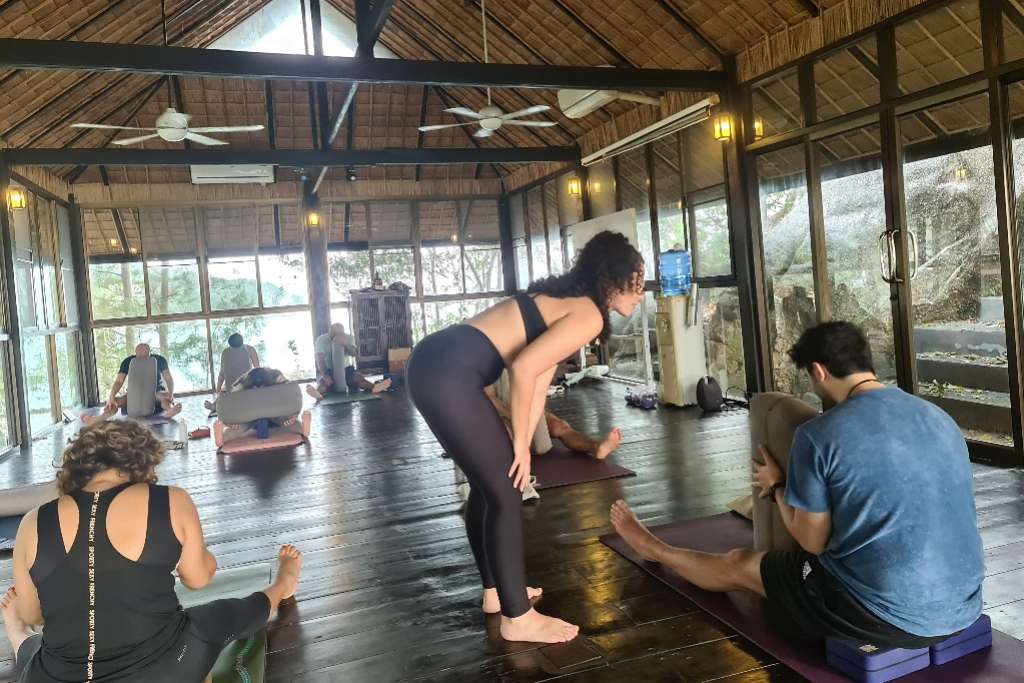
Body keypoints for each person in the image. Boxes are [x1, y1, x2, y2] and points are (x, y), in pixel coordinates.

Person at [610, 321, 984, 649]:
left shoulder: (818, 435)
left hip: (883, 614)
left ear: (819, 371)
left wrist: (776, 486)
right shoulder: (939, 417)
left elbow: (812, 542)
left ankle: (654, 549)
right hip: (964, 606)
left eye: (809, 375)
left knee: (742, 564)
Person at [407, 231, 645, 644]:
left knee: (492, 486)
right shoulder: (589, 314)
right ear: (615, 280)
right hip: (448, 374)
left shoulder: (567, 303)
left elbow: (536, 379)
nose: (642, 293)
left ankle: (498, 594)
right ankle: (518, 618)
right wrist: (519, 444)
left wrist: (525, 446)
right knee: (505, 489)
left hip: (436, 364)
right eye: (638, 281)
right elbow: (522, 370)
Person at [1, 420, 303, 682]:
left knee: (39, 648)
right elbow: (197, 579)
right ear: (142, 460)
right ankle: (282, 585)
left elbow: (34, 614)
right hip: (162, 672)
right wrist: (204, 557)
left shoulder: (31, 522)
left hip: (52, 677)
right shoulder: (169, 500)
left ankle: (14, 630)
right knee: (220, 617)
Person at [484, 372, 621, 460]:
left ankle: (596, 447)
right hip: (499, 415)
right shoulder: (489, 358)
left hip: (528, 412)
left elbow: (539, 392)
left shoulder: (527, 351)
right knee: (510, 442)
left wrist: (539, 415)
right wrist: (516, 418)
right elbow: (490, 398)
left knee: (558, 427)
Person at [213, 367, 312, 445]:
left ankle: (304, 429)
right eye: (256, 388)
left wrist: (293, 414)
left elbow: (290, 393)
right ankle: (222, 438)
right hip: (250, 414)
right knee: (239, 427)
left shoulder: (276, 376)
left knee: (287, 421)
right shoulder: (242, 382)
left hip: (275, 411)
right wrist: (230, 421)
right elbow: (233, 403)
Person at [86, 343, 182, 423]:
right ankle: (100, 418)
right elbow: (119, 381)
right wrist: (112, 395)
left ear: (149, 353)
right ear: (135, 354)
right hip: (133, 394)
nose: (142, 359)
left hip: (156, 393)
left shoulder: (160, 360)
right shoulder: (128, 362)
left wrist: (171, 393)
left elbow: (169, 379)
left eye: (145, 356)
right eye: (140, 356)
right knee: (114, 401)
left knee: (165, 397)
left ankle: (170, 410)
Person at [306, 323, 390, 400]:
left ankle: (375, 387)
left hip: (346, 370)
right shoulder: (321, 340)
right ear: (329, 332)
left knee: (359, 379)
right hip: (328, 370)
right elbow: (319, 359)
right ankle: (317, 393)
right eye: (332, 335)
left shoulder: (349, 338)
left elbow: (354, 354)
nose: (334, 337)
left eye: (337, 334)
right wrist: (325, 375)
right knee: (323, 385)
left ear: (342, 333)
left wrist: (345, 344)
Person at [204, 333, 260, 411]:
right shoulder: (249, 349)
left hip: (235, 389)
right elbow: (257, 369)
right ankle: (217, 404)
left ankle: (216, 405)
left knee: (226, 389)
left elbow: (222, 373)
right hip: (242, 388)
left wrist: (218, 389)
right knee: (230, 388)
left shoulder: (226, 352)